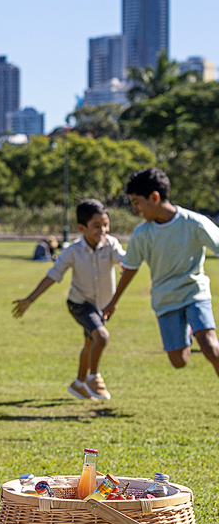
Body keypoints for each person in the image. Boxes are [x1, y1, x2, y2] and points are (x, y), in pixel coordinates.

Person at [103, 167, 219, 376]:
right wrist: (113, 302)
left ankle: (195, 327)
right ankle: (188, 329)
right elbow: (130, 269)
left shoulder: (194, 223)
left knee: (210, 347)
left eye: (137, 202)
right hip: (165, 299)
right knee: (178, 361)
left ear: (155, 197)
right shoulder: (142, 234)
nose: (136, 210)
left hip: (194, 293)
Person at [12, 199, 126, 401]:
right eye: (97, 226)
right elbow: (53, 276)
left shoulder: (111, 245)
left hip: (102, 306)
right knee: (101, 337)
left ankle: (78, 384)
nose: (103, 230)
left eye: (106, 225)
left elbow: (125, 262)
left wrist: (130, 265)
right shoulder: (72, 251)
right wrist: (30, 299)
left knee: (91, 342)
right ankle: (94, 377)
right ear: (81, 228)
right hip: (80, 304)